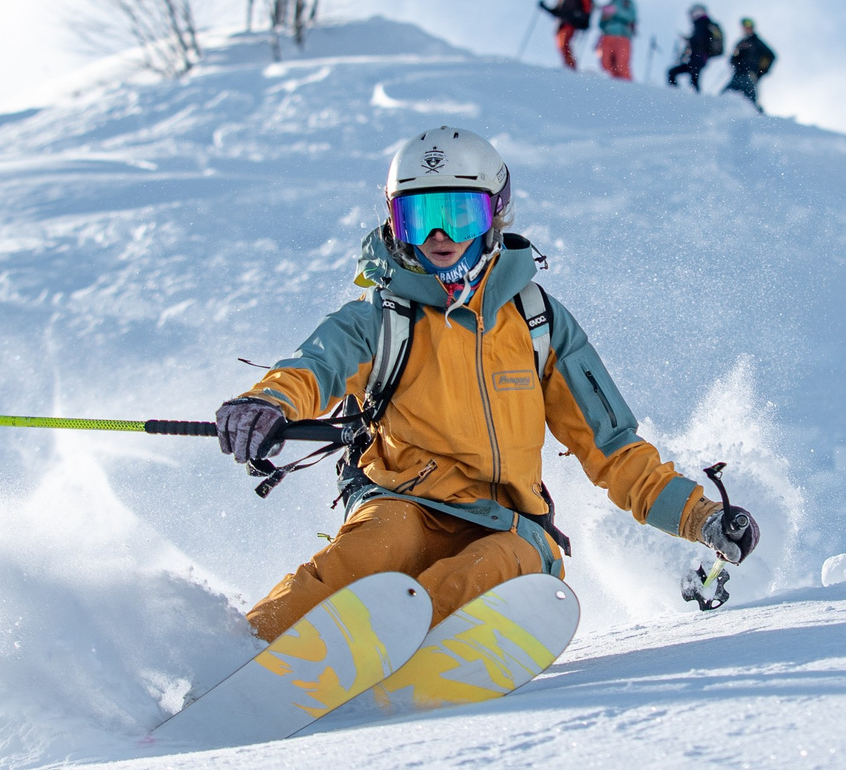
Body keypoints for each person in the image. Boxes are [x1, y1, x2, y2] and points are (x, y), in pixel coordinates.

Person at [214, 127, 762, 640]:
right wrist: (265, 402)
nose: (438, 237)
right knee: (364, 556)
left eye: (457, 214)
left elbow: (611, 446)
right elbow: (314, 366)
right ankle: (239, 663)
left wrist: (700, 516)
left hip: (510, 528)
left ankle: (402, 655)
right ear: (393, 221)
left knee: (483, 573)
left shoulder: (536, 323)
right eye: (418, 217)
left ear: (495, 214)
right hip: (401, 501)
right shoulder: (382, 319)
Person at [537, 0, 594, 71]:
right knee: (561, 46)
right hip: (561, 24)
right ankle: (568, 67)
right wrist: (545, 7)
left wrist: (584, 18)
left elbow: (587, 5)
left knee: (564, 44)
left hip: (571, 22)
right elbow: (557, 11)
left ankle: (571, 67)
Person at [668, 4, 725, 90]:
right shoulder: (700, 26)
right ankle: (680, 95)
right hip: (696, 58)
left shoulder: (704, 25)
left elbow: (702, 41)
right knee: (675, 73)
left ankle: (693, 98)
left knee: (692, 78)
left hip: (700, 57)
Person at [724, 17, 776, 110]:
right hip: (737, 74)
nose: (746, 28)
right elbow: (733, 58)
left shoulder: (757, 42)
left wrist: (760, 71)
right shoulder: (740, 43)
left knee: (751, 100)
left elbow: (770, 56)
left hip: (749, 75)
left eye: (748, 26)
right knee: (725, 95)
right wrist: (735, 58)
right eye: (744, 26)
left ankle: (758, 117)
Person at [596, 0, 638, 81]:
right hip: (607, 36)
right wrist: (605, 17)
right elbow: (601, 24)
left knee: (621, 64)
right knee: (605, 63)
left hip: (622, 37)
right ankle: (615, 84)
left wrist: (615, 11)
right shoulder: (609, 5)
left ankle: (628, 87)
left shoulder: (627, 3)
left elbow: (630, 16)